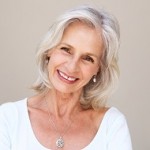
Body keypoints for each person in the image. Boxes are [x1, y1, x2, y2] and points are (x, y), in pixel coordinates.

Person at [0, 5, 132, 150]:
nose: (72, 67)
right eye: (66, 49)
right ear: (49, 50)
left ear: (98, 69)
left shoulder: (112, 125)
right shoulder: (8, 118)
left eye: (87, 58)